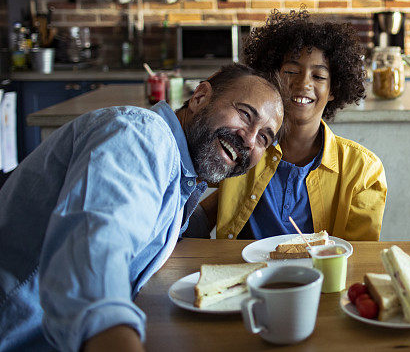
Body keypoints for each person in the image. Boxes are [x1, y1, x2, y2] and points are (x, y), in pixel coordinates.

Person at [0, 64, 284, 352]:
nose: (249, 140)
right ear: (199, 97)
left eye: (264, 138)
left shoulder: (182, 172)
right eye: (245, 115)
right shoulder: (141, 135)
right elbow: (95, 258)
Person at [191, 10, 387, 241]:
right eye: (291, 71)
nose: (303, 83)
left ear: (334, 89)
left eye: (319, 77)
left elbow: (358, 256)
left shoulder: (363, 169)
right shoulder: (244, 144)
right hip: (242, 272)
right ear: (271, 78)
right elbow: (208, 203)